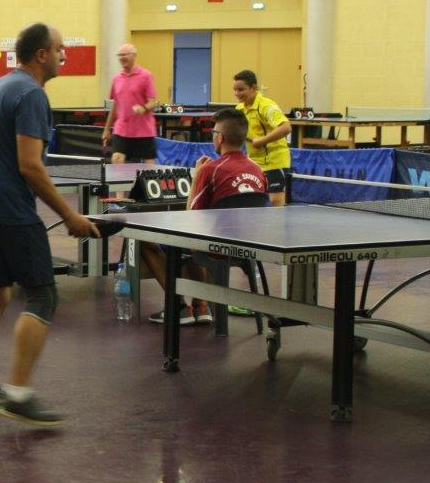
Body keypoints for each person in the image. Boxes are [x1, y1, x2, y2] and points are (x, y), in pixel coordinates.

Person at [0, 23, 95, 427]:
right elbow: (30, 165)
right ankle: (18, 394)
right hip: (8, 208)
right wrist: (69, 215)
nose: (64, 55)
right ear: (41, 54)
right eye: (59, 49)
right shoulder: (32, 94)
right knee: (42, 296)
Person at [140, 108, 268, 325]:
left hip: (215, 247)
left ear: (220, 137)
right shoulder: (258, 170)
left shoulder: (211, 169)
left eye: (213, 132)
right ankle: (201, 305)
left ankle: (178, 307)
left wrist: (198, 175)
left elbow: (192, 217)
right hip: (248, 246)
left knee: (148, 241)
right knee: (197, 239)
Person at [231, 69, 291, 206]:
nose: (237, 93)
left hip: (274, 162)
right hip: (253, 164)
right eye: (235, 90)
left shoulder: (267, 106)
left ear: (253, 88)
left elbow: (286, 127)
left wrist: (262, 141)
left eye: (241, 89)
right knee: (254, 202)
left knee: (275, 202)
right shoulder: (239, 109)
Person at [102, 43, 158, 165]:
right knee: (117, 158)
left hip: (144, 130)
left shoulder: (146, 76)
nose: (122, 58)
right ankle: (119, 178)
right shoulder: (116, 79)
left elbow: (152, 102)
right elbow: (115, 106)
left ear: (134, 56)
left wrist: (143, 109)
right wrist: (107, 129)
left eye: (125, 54)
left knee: (149, 164)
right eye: (120, 55)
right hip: (121, 129)